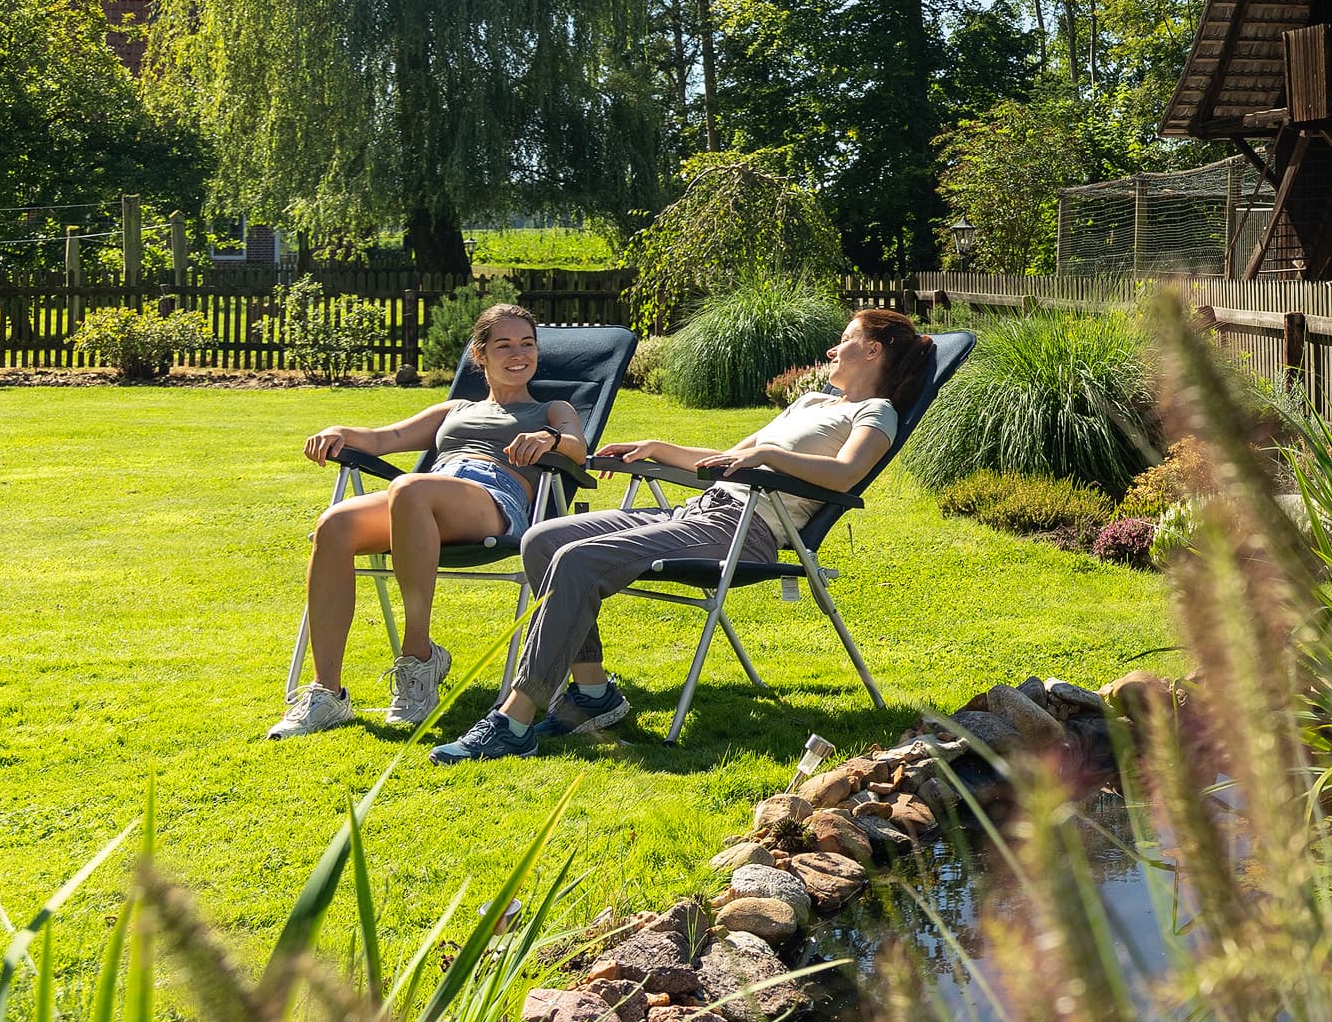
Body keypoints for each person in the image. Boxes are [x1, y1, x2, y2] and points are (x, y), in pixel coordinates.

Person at [429, 306, 935, 764]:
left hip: (745, 531)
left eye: (844, 339)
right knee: (544, 539)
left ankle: (514, 721)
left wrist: (767, 457)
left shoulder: (876, 412)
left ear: (872, 350)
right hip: (699, 511)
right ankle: (591, 694)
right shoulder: (808, 406)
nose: (832, 349)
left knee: (579, 560)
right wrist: (657, 446)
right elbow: (719, 462)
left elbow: (846, 474)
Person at [267, 303, 593, 740]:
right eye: (504, 345)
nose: (519, 354)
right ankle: (327, 693)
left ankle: (418, 657)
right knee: (333, 525)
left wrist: (547, 438)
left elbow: (576, 444)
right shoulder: (454, 409)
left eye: (527, 344)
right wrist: (339, 431)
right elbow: (386, 438)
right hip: (427, 496)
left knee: (409, 488)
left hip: (496, 499)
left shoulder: (552, 409)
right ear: (480, 355)